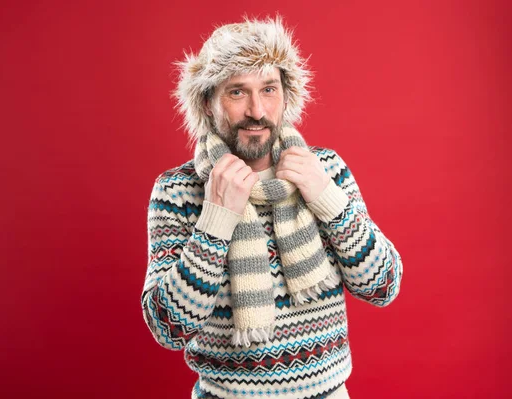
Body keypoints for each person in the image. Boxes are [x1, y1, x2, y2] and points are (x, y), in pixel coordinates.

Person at [141, 16, 403, 399]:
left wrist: (327, 199)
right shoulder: (179, 191)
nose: (257, 111)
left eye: (268, 89)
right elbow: (168, 328)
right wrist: (215, 221)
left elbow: (383, 286)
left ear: (286, 95)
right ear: (207, 102)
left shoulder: (324, 169)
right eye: (236, 92)